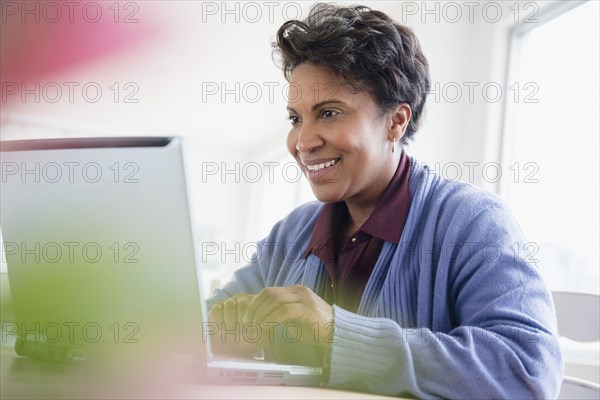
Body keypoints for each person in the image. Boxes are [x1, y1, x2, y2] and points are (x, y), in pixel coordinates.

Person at [208, 3, 563, 398]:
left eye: (328, 113)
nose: (302, 142)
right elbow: (198, 327)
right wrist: (224, 334)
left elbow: (527, 371)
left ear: (396, 122)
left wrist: (336, 333)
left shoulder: (473, 222)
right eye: (296, 118)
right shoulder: (293, 232)